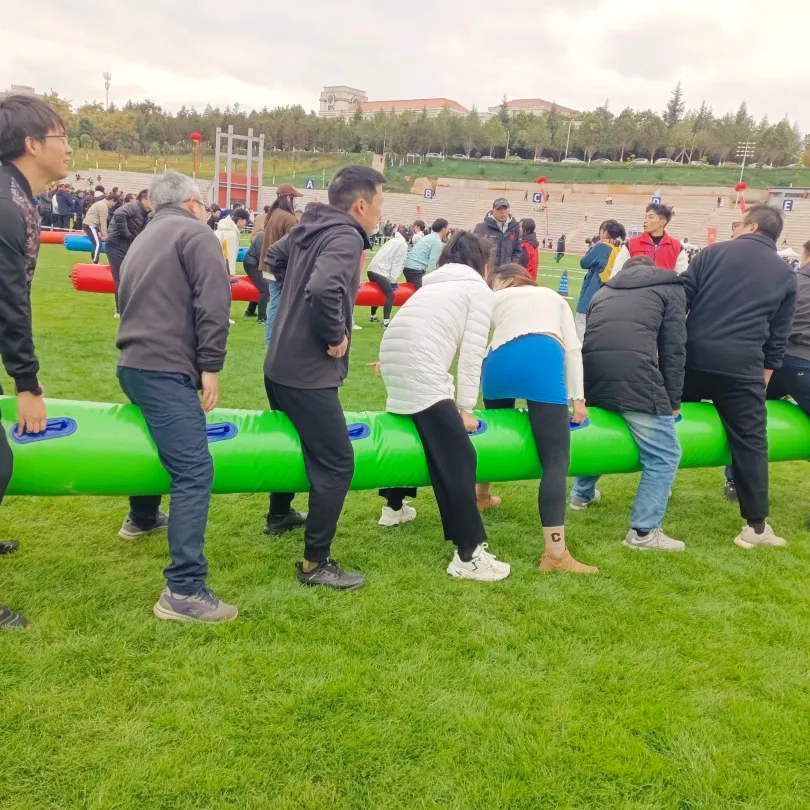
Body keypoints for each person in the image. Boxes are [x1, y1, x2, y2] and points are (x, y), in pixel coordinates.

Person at [115, 171, 236, 622]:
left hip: (133, 362)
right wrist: (210, 366)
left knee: (156, 443)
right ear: (190, 203)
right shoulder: (196, 234)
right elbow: (214, 303)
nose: (206, 211)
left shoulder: (145, 236)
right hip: (164, 366)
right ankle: (183, 589)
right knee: (194, 470)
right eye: (203, 204)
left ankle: (143, 516)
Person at [263, 165, 386, 590]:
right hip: (306, 372)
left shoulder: (310, 225)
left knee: (294, 441)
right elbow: (321, 289)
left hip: (279, 364)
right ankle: (315, 563)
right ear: (360, 205)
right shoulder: (346, 235)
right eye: (379, 203)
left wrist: (292, 299)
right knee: (337, 462)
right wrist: (334, 336)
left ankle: (280, 514)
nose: (380, 212)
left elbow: (268, 258)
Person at [378, 232, 510, 581]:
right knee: (459, 456)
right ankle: (468, 554)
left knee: (416, 436)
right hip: (419, 368)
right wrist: (466, 407)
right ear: (483, 264)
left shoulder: (432, 285)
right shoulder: (476, 289)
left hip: (393, 363)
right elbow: (472, 355)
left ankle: (394, 507)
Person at [681, 205, 796, 549]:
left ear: (752, 226)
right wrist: (764, 377)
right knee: (751, 442)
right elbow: (778, 336)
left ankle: (583, 490)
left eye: (737, 224)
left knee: (649, 415)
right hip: (742, 366)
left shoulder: (712, 253)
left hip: (692, 358)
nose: (734, 229)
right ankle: (756, 527)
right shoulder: (785, 273)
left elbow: (679, 300)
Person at [0, 94, 70, 629]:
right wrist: (27, 383)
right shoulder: (7, 203)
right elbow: (8, 299)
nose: (67, 148)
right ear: (31, 144)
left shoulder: (16, 196)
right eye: (60, 138)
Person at [475, 264, 595, 574]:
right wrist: (578, 400)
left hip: (497, 361)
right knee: (555, 461)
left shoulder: (495, 298)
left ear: (507, 280)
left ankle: (481, 497)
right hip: (541, 357)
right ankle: (555, 554)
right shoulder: (552, 297)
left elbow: (475, 338)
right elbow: (573, 348)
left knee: (492, 438)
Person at [570, 256, 687, 551]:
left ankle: (581, 495)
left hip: (593, 374)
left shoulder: (602, 292)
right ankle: (643, 532)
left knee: (602, 438)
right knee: (665, 455)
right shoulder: (670, 288)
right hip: (635, 375)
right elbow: (673, 348)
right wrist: (673, 399)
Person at [724, 238, 810, 504]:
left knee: (746, 419)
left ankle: (734, 480)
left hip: (769, 360)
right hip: (803, 362)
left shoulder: (788, 280)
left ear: (805, 255)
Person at [260, 183, 302, 344]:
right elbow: (294, 246)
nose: (296, 201)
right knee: (278, 305)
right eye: (295, 198)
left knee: (275, 303)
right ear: (289, 198)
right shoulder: (289, 219)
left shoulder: (273, 214)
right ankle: (272, 339)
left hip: (269, 265)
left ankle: (272, 338)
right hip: (280, 268)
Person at [576, 220, 626, 340]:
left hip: (591, 294)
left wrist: (592, 247)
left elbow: (584, 262)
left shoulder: (601, 246)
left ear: (604, 231)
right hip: (608, 294)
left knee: (581, 327)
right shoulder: (618, 248)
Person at [106, 189, 151, 317]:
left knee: (130, 275)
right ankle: (119, 310)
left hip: (126, 245)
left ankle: (130, 307)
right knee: (120, 277)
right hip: (116, 244)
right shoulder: (134, 206)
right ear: (144, 199)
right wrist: (126, 234)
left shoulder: (145, 213)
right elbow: (119, 213)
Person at [611, 203, 689, 276]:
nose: (645, 221)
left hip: (664, 286)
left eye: (650, 217)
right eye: (645, 217)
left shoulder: (676, 246)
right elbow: (617, 272)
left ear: (662, 222)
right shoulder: (631, 244)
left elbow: (682, 276)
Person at [367, 227, 409, 326]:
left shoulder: (393, 240)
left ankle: (373, 316)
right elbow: (397, 263)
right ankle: (386, 322)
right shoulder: (402, 244)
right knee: (390, 295)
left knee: (378, 291)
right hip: (380, 271)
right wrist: (393, 281)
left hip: (372, 269)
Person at [473, 198, 522, 267]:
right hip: (488, 270)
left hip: (507, 270)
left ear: (509, 209)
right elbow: (474, 250)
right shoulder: (482, 227)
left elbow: (517, 250)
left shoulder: (514, 228)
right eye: (499, 209)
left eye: (505, 209)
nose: (502, 212)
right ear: (493, 210)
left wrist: (512, 266)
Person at [402, 218, 448, 289]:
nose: (448, 230)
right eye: (447, 228)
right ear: (443, 229)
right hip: (415, 269)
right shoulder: (437, 241)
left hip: (409, 266)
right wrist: (430, 279)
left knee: (413, 290)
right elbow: (432, 262)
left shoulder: (429, 237)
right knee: (422, 291)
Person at [242, 228, 269, 325]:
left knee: (260, 286)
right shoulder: (262, 236)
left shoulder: (266, 236)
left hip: (254, 263)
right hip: (252, 264)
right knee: (265, 289)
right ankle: (262, 318)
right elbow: (261, 256)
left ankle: (250, 311)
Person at [215, 208, 250, 276]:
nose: (245, 225)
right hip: (219, 270)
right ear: (240, 220)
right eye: (246, 222)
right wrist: (231, 274)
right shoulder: (231, 234)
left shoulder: (225, 229)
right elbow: (229, 256)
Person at [83, 193, 115, 264]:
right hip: (90, 225)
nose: (113, 205)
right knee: (97, 243)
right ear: (111, 200)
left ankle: (94, 260)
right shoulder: (103, 206)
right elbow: (103, 221)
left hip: (91, 224)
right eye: (114, 203)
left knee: (96, 242)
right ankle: (95, 262)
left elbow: (100, 222)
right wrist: (104, 234)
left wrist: (103, 232)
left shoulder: (102, 203)